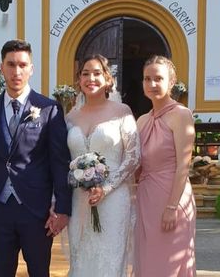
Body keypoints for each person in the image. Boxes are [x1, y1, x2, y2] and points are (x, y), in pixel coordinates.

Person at [0, 39, 72, 277]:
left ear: (31, 68)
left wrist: (61, 207)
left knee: (39, 272)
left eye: (22, 65)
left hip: (37, 209)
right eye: (11, 64)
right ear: (2, 68)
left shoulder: (49, 109)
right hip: (1, 208)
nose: (16, 71)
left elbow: (59, 161)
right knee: (2, 272)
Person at [65, 54, 140, 277]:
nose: (91, 78)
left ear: (107, 79)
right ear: (78, 80)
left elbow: (134, 157)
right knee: (81, 259)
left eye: (97, 73)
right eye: (85, 74)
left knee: (109, 260)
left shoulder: (122, 112)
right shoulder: (70, 117)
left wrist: (106, 188)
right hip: (79, 199)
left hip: (113, 199)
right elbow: (63, 160)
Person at [135, 55, 196, 277]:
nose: (152, 84)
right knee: (148, 262)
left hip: (172, 197)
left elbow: (184, 165)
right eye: (147, 78)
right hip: (146, 197)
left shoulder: (181, 115)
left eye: (158, 78)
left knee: (169, 264)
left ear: (171, 82)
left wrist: (172, 207)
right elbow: (136, 164)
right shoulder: (141, 121)